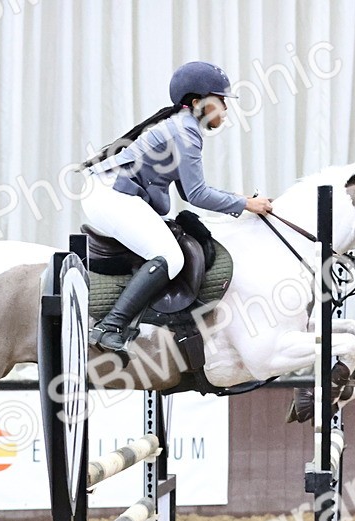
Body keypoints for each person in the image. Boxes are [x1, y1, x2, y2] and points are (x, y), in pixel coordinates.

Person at [80, 61, 274, 354]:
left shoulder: (183, 126)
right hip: (111, 195)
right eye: (220, 101)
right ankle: (111, 326)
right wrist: (246, 204)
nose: (225, 108)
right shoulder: (186, 131)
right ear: (198, 102)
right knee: (169, 256)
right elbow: (196, 194)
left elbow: (188, 189)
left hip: (110, 192)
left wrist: (238, 200)